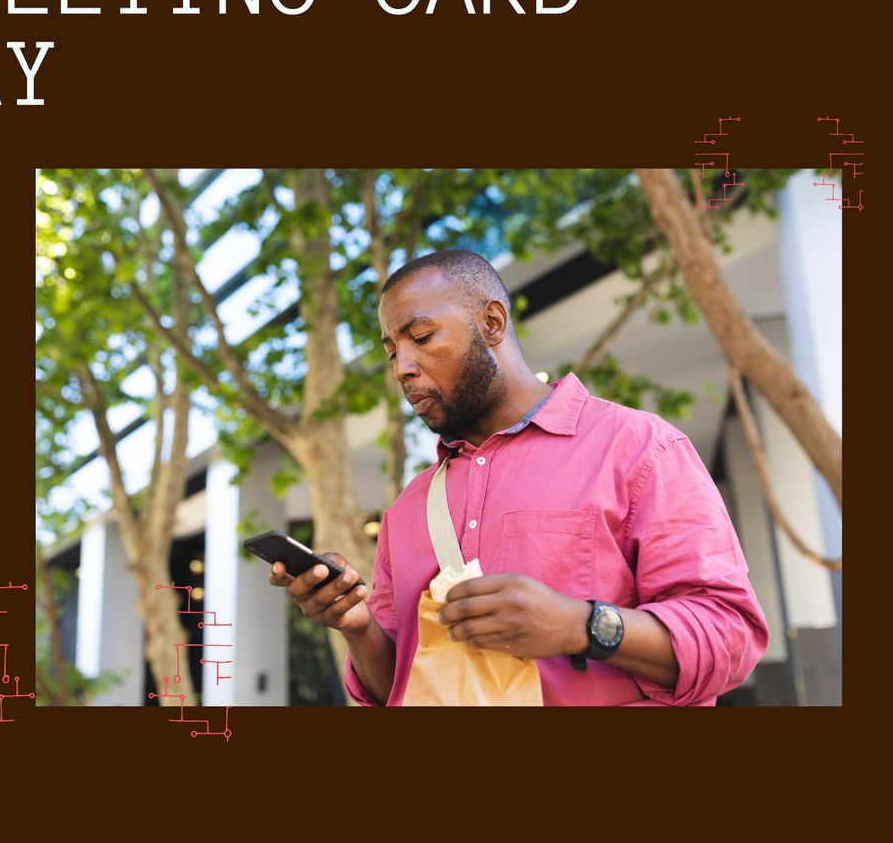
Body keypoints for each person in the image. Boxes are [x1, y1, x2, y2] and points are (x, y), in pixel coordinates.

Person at [269, 249, 769, 706]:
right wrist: (357, 628)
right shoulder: (407, 511)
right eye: (392, 351)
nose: (402, 367)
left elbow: (730, 636)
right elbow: (400, 692)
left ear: (491, 322)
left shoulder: (638, 449)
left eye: (421, 338)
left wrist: (581, 625)